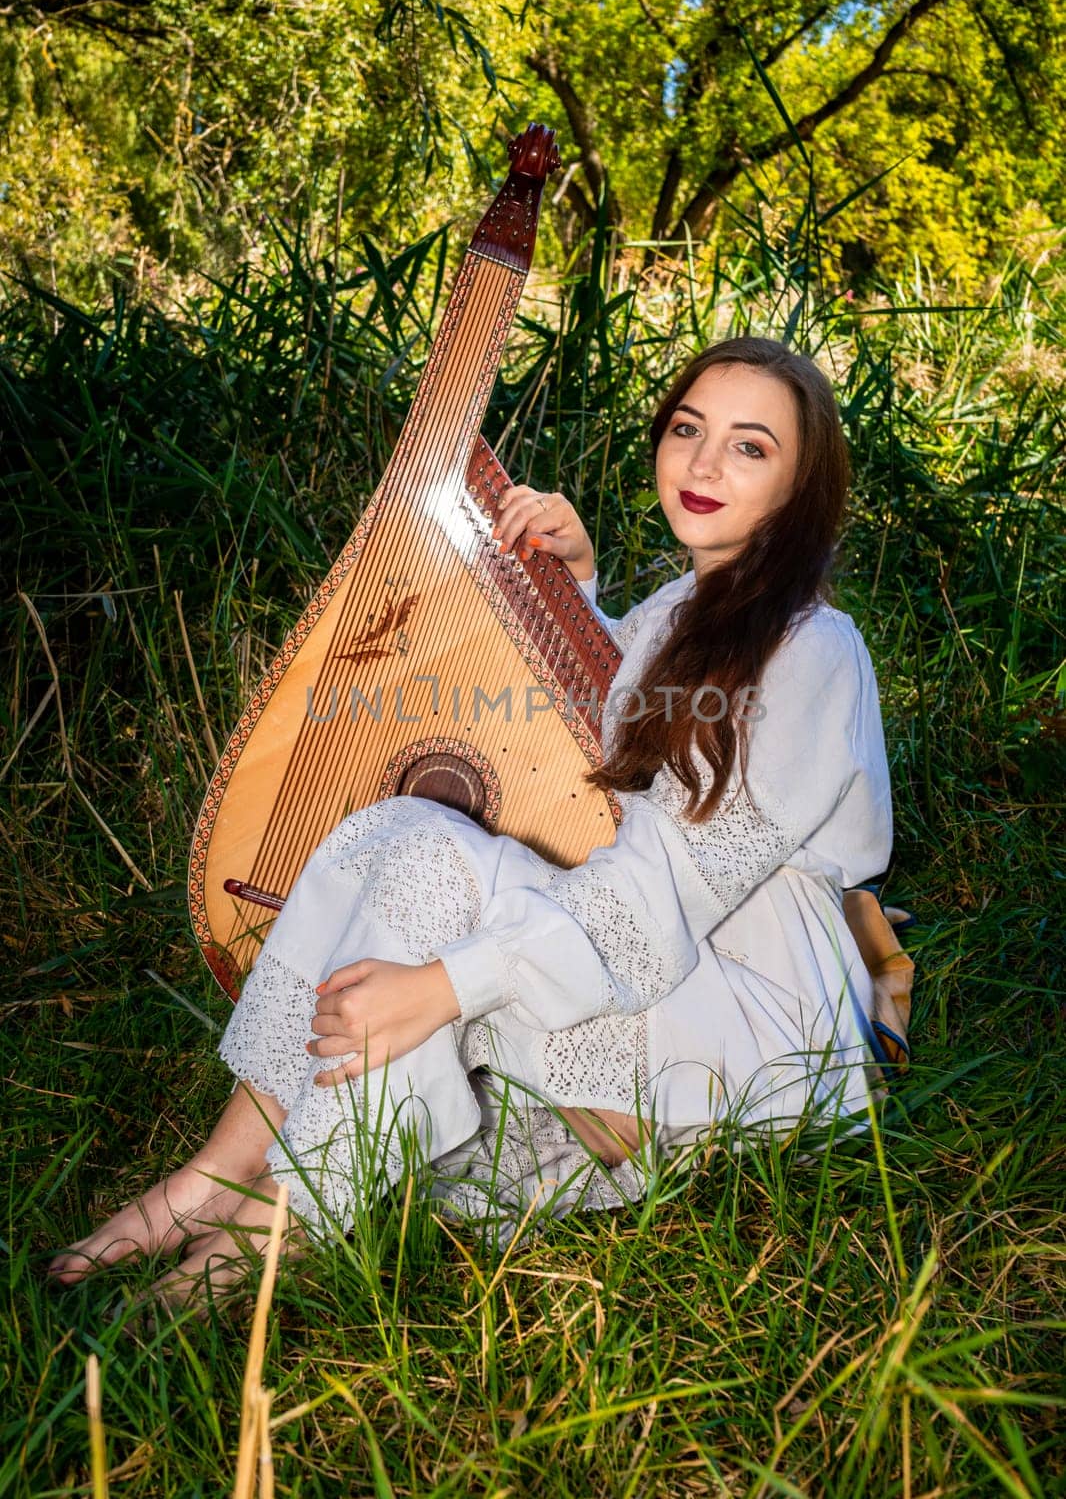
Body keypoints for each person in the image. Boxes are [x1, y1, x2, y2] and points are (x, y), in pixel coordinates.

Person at [50, 335, 901, 1303]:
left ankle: (283, 1215)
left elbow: (669, 877)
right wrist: (578, 586)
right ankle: (223, 1166)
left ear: (802, 486)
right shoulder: (683, 609)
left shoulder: (816, 647)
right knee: (396, 830)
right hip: (651, 938)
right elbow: (608, 735)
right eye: (686, 429)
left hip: (743, 1004)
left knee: (429, 871)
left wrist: (445, 987)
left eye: (750, 447)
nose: (704, 463)